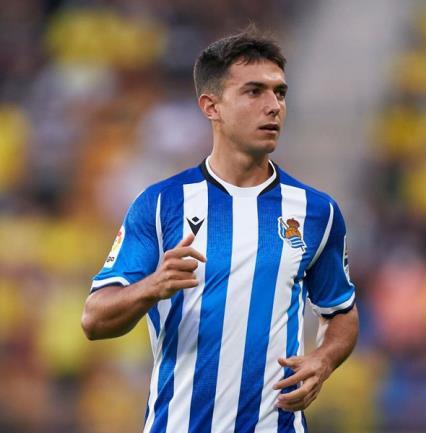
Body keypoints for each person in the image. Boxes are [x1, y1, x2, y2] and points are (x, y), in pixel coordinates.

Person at [81, 29, 359, 433]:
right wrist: (153, 286)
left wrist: (324, 359)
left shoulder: (317, 212)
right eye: (254, 92)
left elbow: (341, 312)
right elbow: (94, 319)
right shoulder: (161, 205)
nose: (273, 106)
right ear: (211, 106)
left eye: (280, 93)